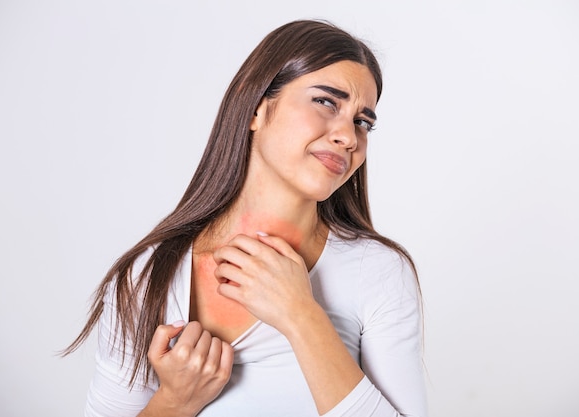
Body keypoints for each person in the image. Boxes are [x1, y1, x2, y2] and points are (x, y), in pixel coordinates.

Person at [64, 19, 427, 417]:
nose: (349, 136)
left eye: (363, 121)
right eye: (326, 102)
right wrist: (175, 402)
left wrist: (301, 316)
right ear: (254, 106)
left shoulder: (378, 271)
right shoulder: (146, 277)